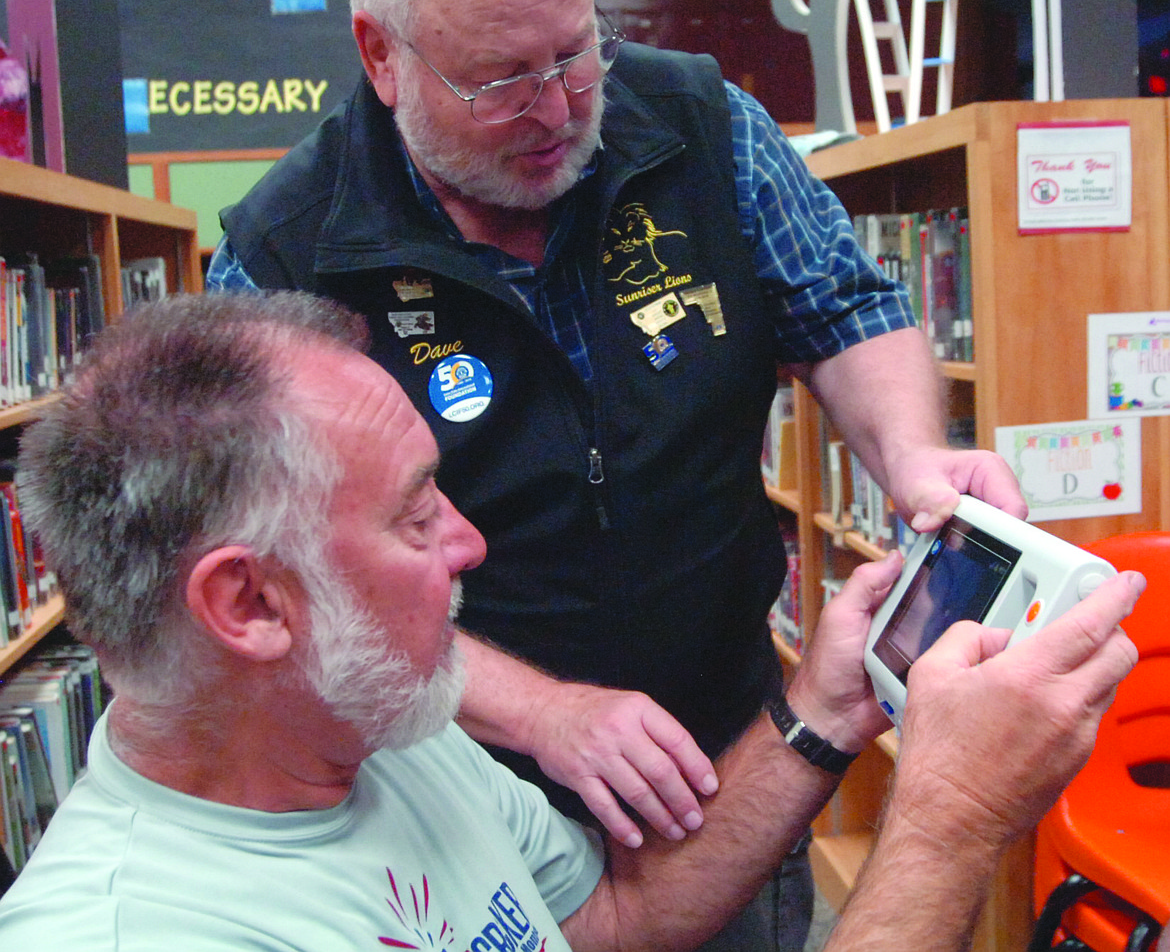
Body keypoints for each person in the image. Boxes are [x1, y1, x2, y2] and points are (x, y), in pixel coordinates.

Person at [206, 0, 1027, 948]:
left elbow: (845, 310)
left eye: (578, 50)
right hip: (451, 790)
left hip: (726, 759)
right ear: (382, 54)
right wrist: (542, 712)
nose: (557, 107)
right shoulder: (287, 251)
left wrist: (914, 459)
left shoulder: (698, 120)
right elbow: (290, 576)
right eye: (501, 78)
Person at [0, 292, 1142, 952]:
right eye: (414, 516)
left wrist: (824, 713)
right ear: (249, 604)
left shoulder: (372, 732)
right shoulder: (145, 935)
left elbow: (612, 913)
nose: (469, 544)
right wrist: (950, 819)